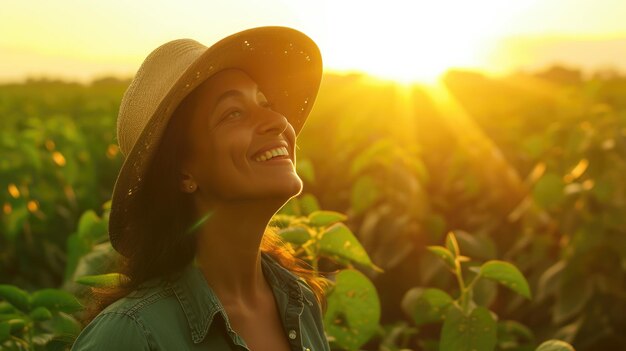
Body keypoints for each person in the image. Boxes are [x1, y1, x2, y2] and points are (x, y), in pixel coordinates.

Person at [71, 26, 329, 351]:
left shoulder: (301, 301)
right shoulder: (132, 335)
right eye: (233, 113)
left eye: (267, 102)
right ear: (183, 172)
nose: (277, 121)